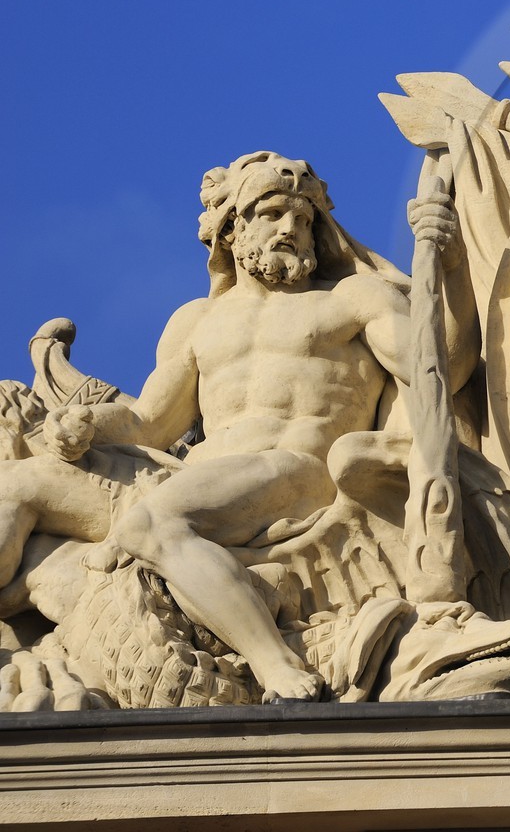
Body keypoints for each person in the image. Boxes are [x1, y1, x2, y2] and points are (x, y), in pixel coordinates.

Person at [0, 152, 462, 701]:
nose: (291, 228)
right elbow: (147, 423)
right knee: (19, 483)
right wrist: (82, 425)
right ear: (232, 229)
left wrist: (449, 265)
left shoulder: (351, 300)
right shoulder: (197, 321)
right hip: (188, 476)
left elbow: (440, 370)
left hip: (297, 472)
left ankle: (277, 665)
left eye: (303, 219)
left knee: (152, 525)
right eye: (272, 214)